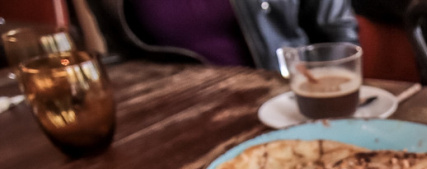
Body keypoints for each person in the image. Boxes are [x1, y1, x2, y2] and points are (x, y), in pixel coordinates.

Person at [68, 0, 360, 71]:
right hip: (171, 120)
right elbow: (121, 58)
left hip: (281, 101)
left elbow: (337, 32)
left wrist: (330, 97)